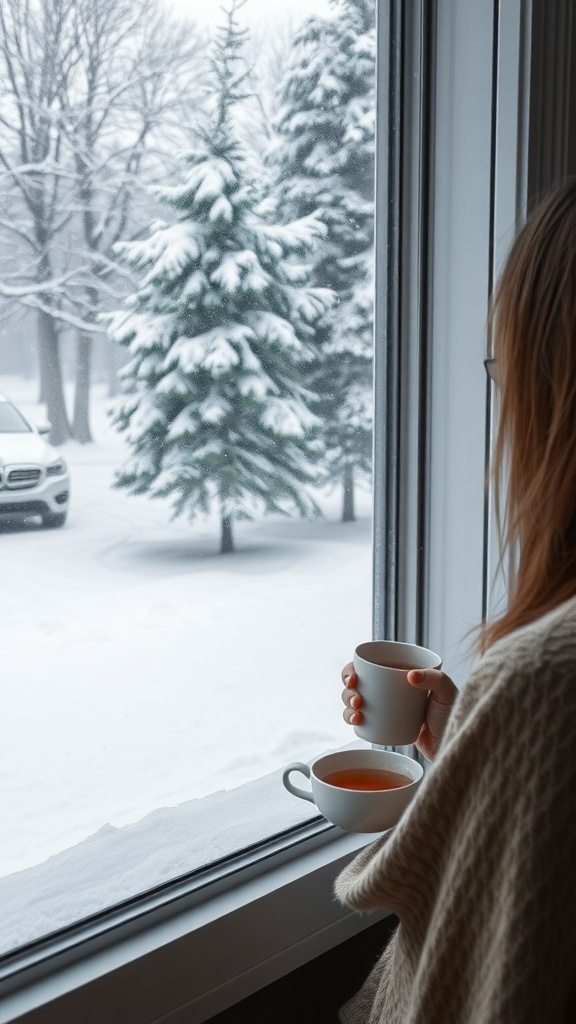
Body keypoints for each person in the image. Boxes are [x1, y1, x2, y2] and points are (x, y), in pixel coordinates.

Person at [335, 177, 576, 1024]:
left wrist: (505, 722)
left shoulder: (547, 679)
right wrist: (468, 748)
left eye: (502, 369)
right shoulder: (530, 694)